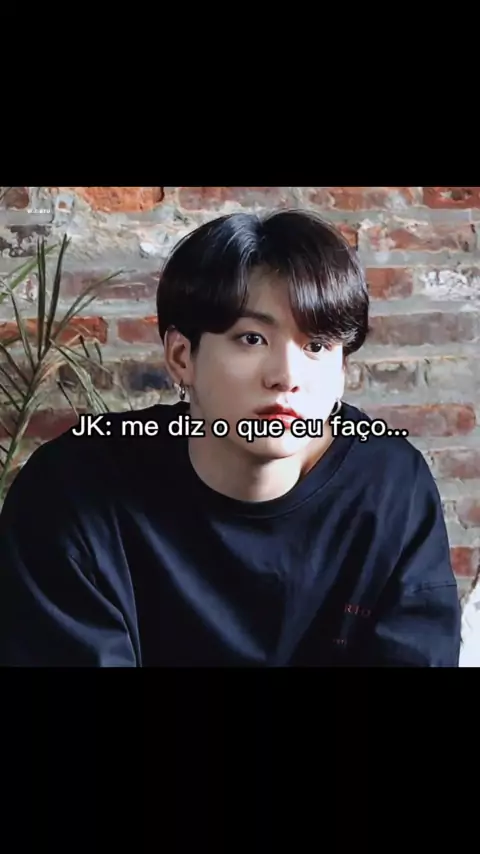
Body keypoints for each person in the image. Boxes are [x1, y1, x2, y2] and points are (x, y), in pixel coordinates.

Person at [0, 209, 461, 666]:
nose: (286, 377)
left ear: (342, 371)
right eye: (252, 339)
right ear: (182, 357)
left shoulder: (391, 487)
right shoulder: (70, 491)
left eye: (316, 346)